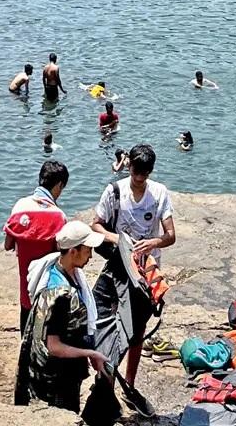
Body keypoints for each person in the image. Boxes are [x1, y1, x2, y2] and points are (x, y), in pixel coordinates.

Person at [91, 143, 176, 385]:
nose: (139, 178)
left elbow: (170, 236)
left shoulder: (159, 193)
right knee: (104, 318)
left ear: (150, 172)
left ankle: (129, 380)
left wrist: (152, 243)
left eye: (144, 174)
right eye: (136, 172)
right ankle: (104, 373)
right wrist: (119, 239)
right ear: (129, 166)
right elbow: (96, 224)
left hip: (145, 272)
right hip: (119, 265)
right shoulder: (114, 191)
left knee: (138, 329)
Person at [18, 220, 108, 413]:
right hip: (57, 378)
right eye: (87, 250)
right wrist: (90, 354)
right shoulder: (60, 295)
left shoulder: (61, 271)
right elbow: (54, 346)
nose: (91, 256)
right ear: (73, 251)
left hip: (63, 370)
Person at [5, 160, 70, 332]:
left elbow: (8, 244)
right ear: (59, 185)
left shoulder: (20, 206)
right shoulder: (59, 216)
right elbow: (62, 254)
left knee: (25, 323)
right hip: (47, 285)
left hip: (25, 283)